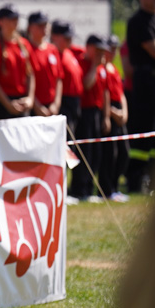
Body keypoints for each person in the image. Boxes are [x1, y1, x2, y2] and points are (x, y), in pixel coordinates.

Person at [68, 35, 111, 202]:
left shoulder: (102, 67)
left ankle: (88, 188)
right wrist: (94, 65)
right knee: (84, 152)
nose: (101, 54)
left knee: (96, 153)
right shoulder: (84, 63)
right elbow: (87, 84)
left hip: (96, 112)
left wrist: (105, 116)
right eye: (98, 50)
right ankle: (78, 188)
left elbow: (105, 93)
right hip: (84, 112)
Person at [125, 0, 155, 194]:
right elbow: (153, 49)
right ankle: (135, 180)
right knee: (143, 131)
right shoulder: (138, 21)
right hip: (145, 81)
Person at [0, 4, 35, 120]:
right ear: (1, 22)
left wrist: (30, 98)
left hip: (21, 100)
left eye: (16, 18)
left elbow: (30, 73)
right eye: (11, 19)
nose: (15, 22)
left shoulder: (24, 44)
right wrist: (7, 104)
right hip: (2, 101)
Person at [100, 35, 130, 203]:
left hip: (119, 113)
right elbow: (103, 95)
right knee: (110, 154)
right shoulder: (102, 69)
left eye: (115, 49)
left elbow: (121, 94)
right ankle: (106, 189)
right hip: (110, 113)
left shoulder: (114, 69)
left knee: (124, 153)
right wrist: (112, 113)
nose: (113, 52)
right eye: (110, 48)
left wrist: (124, 112)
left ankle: (115, 186)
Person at [26, 11, 63, 117]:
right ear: (30, 27)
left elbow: (59, 78)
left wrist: (56, 104)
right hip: (34, 107)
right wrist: (37, 106)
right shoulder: (26, 48)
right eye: (40, 25)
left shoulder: (52, 49)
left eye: (45, 25)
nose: (44, 28)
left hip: (52, 106)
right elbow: (26, 80)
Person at [51, 20, 84, 136]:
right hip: (64, 101)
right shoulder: (53, 54)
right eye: (66, 37)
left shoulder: (69, 52)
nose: (70, 40)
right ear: (55, 37)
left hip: (75, 102)